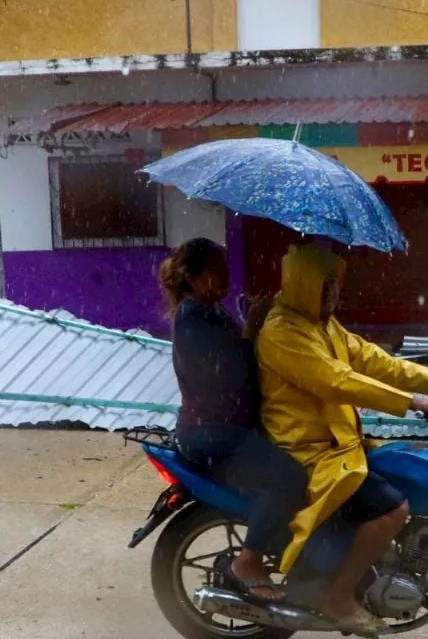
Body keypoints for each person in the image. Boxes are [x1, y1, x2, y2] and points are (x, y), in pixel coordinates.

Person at [254, 243, 428, 634]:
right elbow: (336, 380)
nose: (334, 293)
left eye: (335, 284)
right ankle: (338, 596)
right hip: (310, 451)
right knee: (392, 510)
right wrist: (414, 402)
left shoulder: (322, 325)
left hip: (338, 443)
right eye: (325, 285)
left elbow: (370, 359)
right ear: (304, 286)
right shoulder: (283, 332)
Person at [160, 237, 307, 602]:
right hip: (212, 433)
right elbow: (226, 371)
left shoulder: (212, 311)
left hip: (226, 428)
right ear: (192, 278)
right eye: (217, 271)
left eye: (226, 270)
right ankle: (249, 561)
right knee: (289, 477)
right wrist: (255, 328)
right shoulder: (194, 315)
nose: (226, 278)